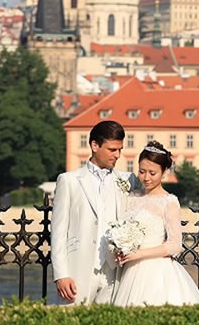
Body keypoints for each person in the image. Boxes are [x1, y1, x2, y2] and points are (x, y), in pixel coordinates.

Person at [51, 120, 141, 305]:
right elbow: (58, 231)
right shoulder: (69, 181)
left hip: (114, 271)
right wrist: (61, 275)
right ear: (94, 145)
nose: (117, 155)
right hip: (78, 268)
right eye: (112, 149)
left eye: (120, 150)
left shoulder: (128, 180)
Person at [111, 141, 199, 306]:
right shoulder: (132, 197)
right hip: (130, 269)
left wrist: (138, 254)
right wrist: (121, 248)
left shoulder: (168, 201)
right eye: (142, 171)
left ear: (164, 172)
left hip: (156, 270)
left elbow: (175, 245)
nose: (146, 178)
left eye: (152, 173)